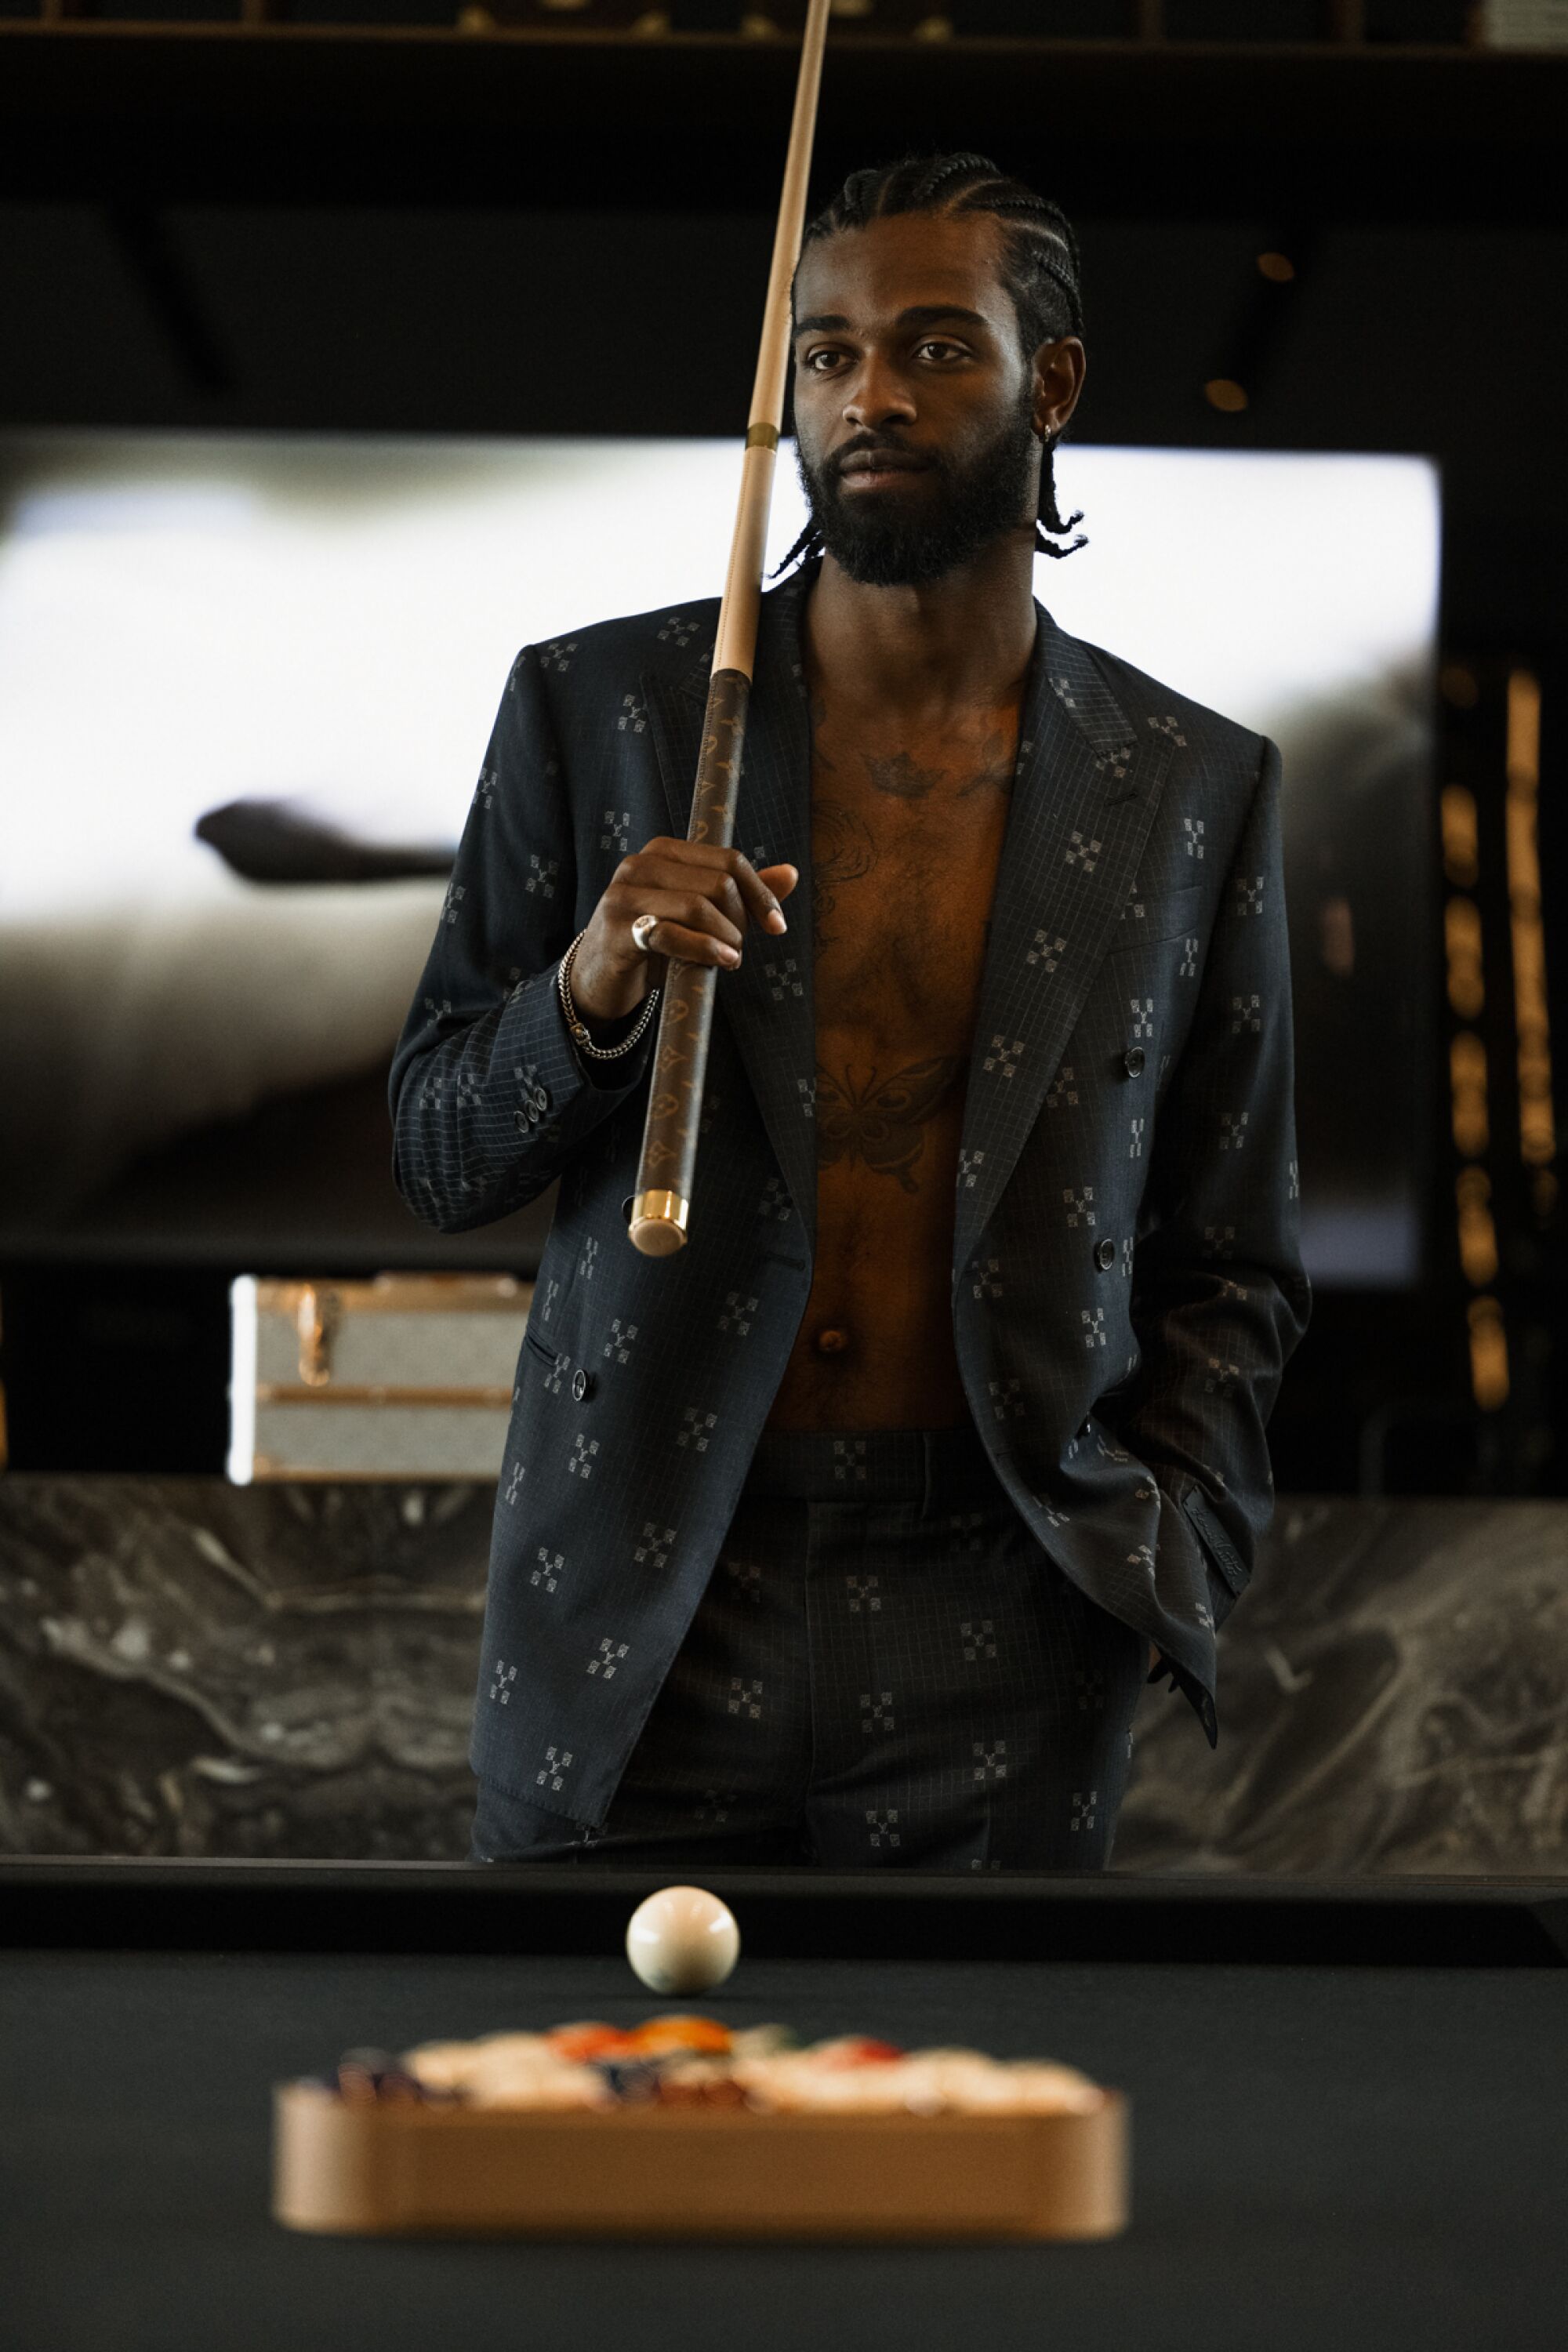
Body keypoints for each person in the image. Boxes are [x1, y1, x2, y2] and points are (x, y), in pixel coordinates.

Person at [389, 153, 1312, 1870]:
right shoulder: (600, 712)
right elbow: (437, 1149)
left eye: (934, 346)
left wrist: (1167, 1552)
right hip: (640, 1610)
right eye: (823, 353)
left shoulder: (1191, 786)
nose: (868, 393)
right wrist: (586, 993)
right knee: (604, 2118)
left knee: (964, 2126)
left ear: (1053, 379)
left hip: (1012, 1617)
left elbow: (1230, 1259)